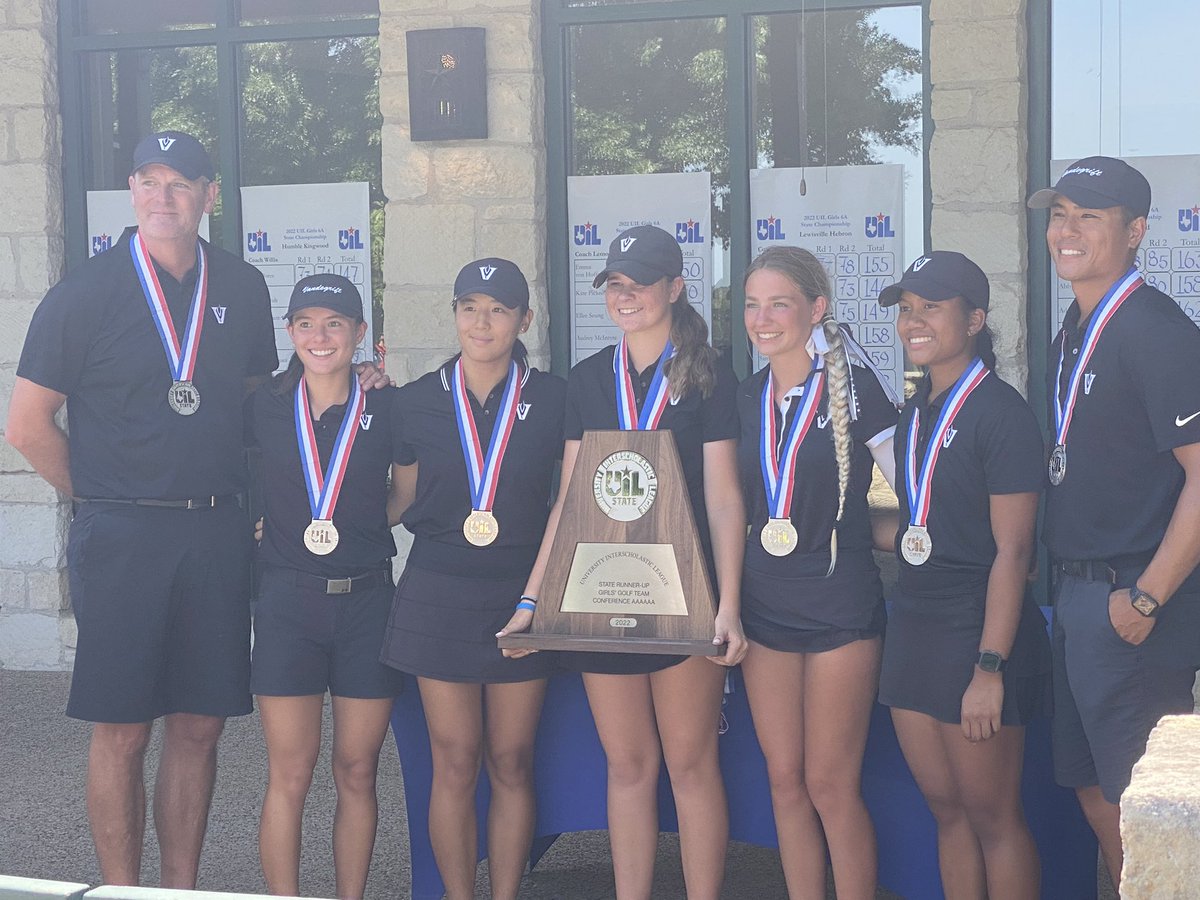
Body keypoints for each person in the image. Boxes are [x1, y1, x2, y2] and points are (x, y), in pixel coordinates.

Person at [5, 131, 278, 888]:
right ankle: (124, 891)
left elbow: (256, 407)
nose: (164, 196)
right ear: (131, 191)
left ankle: (176, 891)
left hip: (216, 529)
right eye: (149, 181)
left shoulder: (244, 288)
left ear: (209, 195)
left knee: (199, 724)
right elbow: (26, 425)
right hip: (122, 532)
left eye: (181, 183)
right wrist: (96, 494)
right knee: (122, 729)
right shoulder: (84, 294)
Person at [500, 225, 747, 900]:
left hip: (685, 597)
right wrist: (532, 603)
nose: (625, 296)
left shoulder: (711, 374)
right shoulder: (587, 379)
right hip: (605, 595)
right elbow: (568, 506)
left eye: (639, 284)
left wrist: (727, 603)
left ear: (675, 288)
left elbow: (725, 500)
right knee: (629, 767)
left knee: (693, 766)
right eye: (615, 284)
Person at [1027, 157, 1200, 889]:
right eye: (1059, 213)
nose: (1066, 231)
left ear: (1134, 232)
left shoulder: (1156, 329)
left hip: (1134, 603)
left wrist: (1148, 598)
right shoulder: (1075, 325)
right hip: (1079, 596)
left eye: (1088, 217)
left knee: (1141, 805)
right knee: (1094, 790)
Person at [379, 258, 565, 900]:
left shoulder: (553, 398)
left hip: (522, 595)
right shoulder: (412, 402)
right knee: (454, 762)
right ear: (454, 314)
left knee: (511, 762)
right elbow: (397, 500)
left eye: (498, 310)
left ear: (524, 320)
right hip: (438, 592)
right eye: (469, 307)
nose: (481, 322)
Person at [874, 251, 1051, 899]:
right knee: (946, 814)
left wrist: (990, 666)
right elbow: (929, 527)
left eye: (932, 307)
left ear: (975, 318)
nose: (913, 321)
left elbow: (1014, 552)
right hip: (916, 631)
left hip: (979, 637)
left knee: (992, 818)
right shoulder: (915, 412)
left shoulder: (1000, 413)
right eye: (906, 309)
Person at [735, 246, 899, 899]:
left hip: (839, 603)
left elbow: (915, 492)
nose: (763, 317)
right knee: (785, 779)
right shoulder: (747, 395)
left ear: (817, 309)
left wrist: (881, 535)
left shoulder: (856, 389)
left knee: (832, 783)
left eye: (779, 303)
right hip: (764, 600)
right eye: (752, 303)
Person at [247, 274, 404, 899]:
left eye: (335, 323)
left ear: (359, 333)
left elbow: (407, 495)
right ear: (289, 333)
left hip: (367, 601)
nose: (320, 336)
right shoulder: (262, 406)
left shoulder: (389, 405)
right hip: (288, 604)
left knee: (358, 770)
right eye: (306, 323)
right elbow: (232, 472)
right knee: (290, 773)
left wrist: (354, 522)